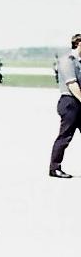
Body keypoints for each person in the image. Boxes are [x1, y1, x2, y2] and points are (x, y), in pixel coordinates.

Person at [49, 33, 81, 179]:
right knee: (65, 136)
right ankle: (54, 168)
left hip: (78, 101)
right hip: (70, 102)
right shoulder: (67, 61)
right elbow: (72, 84)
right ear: (78, 43)